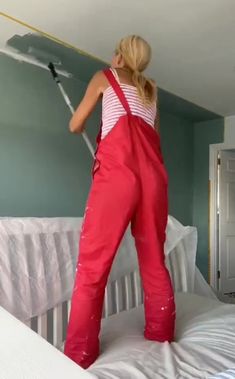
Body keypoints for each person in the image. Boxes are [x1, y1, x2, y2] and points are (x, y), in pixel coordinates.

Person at [64, 35, 175, 369]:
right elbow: (154, 139)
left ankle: (79, 356)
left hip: (118, 179)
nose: (112, 55)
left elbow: (74, 124)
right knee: (154, 260)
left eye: (116, 51)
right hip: (154, 181)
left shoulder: (104, 78)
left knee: (93, 266)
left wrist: (85, 121)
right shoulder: (152, 92)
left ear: (122, 58)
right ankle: (161, 333)